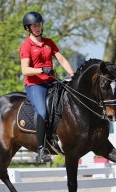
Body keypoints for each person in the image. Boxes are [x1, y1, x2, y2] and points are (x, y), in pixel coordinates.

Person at [20, 12, 75, 162]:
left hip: (51, 82)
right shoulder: (26, 46)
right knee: (43, 113)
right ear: (28, 28)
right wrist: (41, 70)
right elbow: (24, 70)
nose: (38, 28)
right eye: (34, 25)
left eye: (39, 24)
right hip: (35, 84)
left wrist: (72, 73)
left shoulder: (49, 42)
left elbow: (61, 59)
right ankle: (41, 149)